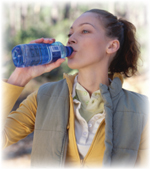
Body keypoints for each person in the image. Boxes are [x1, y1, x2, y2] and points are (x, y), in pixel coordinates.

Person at [2, 9, 149, 168]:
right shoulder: (43, 97)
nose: (71, 39)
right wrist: (20, 77)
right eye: (69, 34)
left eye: (85, 31)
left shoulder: (141, 109)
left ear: (112, 46)